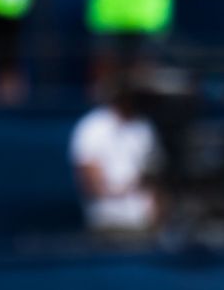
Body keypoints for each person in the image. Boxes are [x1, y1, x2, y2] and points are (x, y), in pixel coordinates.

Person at [69, 83, 164, 234]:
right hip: (107, 218)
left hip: (143, 219)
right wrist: (119, 192)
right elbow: (90, 181)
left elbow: (152, 177)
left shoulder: (144, 127)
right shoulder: (92, 126)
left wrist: (155, 213)